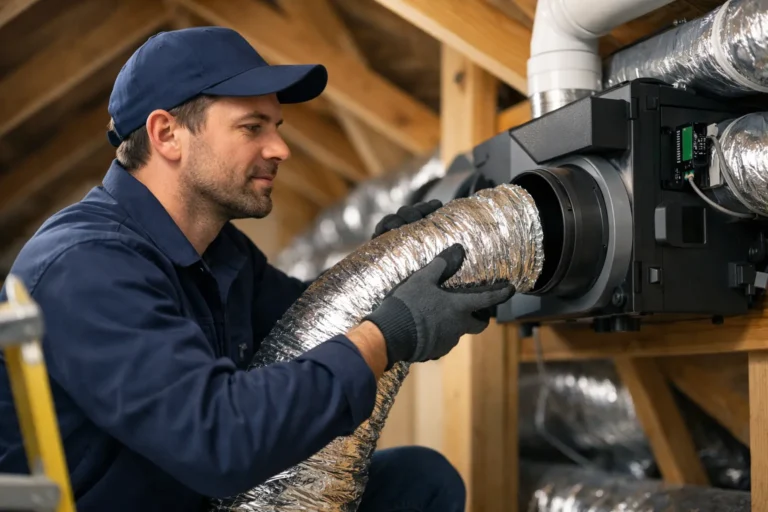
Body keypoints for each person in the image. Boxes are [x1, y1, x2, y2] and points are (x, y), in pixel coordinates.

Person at [0, 27, 515, 512]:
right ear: (167, 134)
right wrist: (386, 335)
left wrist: (387, 264)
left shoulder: (222, 252)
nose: (280, 149)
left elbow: (311, 325)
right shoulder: (85, 266)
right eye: (252, 128)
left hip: (192, 497)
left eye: (277, 127)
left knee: (417, 482)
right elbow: (219, 442)